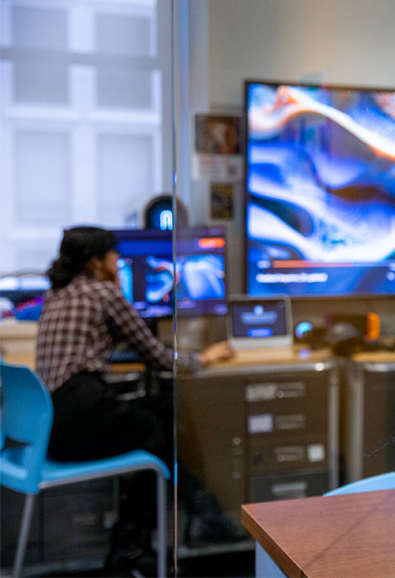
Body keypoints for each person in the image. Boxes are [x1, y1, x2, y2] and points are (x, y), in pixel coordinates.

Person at [35, 226, 241, 570]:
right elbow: (156, 356)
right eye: (114, 256)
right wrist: (203, 358)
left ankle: (192, 516)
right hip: (79, 416)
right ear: (96, 261)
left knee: (164, 408)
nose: (120, 263)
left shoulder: (56, 294)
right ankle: (168, 527)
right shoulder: (104, 293)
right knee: (155, 435)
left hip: (52, 423)